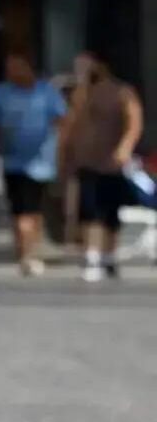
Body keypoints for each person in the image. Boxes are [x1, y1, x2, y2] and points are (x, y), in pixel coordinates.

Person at [0, 51, 67, 277]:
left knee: (35, 210)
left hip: (41, 163)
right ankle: (24, 252)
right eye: (9, 69)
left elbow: (62, 121)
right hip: (12, 161)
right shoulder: (0, 94)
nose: (13, 73)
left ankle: (32, 250)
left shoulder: (46, 93)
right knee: (19, 209)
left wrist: (62, 153)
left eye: (17, 67)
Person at [69, 52, 143, 281]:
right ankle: (92, 256)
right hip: (87, 162)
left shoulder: (122, 92)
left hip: (111, 163)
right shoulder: (82, 93)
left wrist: (124, 147)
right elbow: (71, 122)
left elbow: (134, 121)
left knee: (110, 212)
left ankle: (109, 255)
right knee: (89, 211)